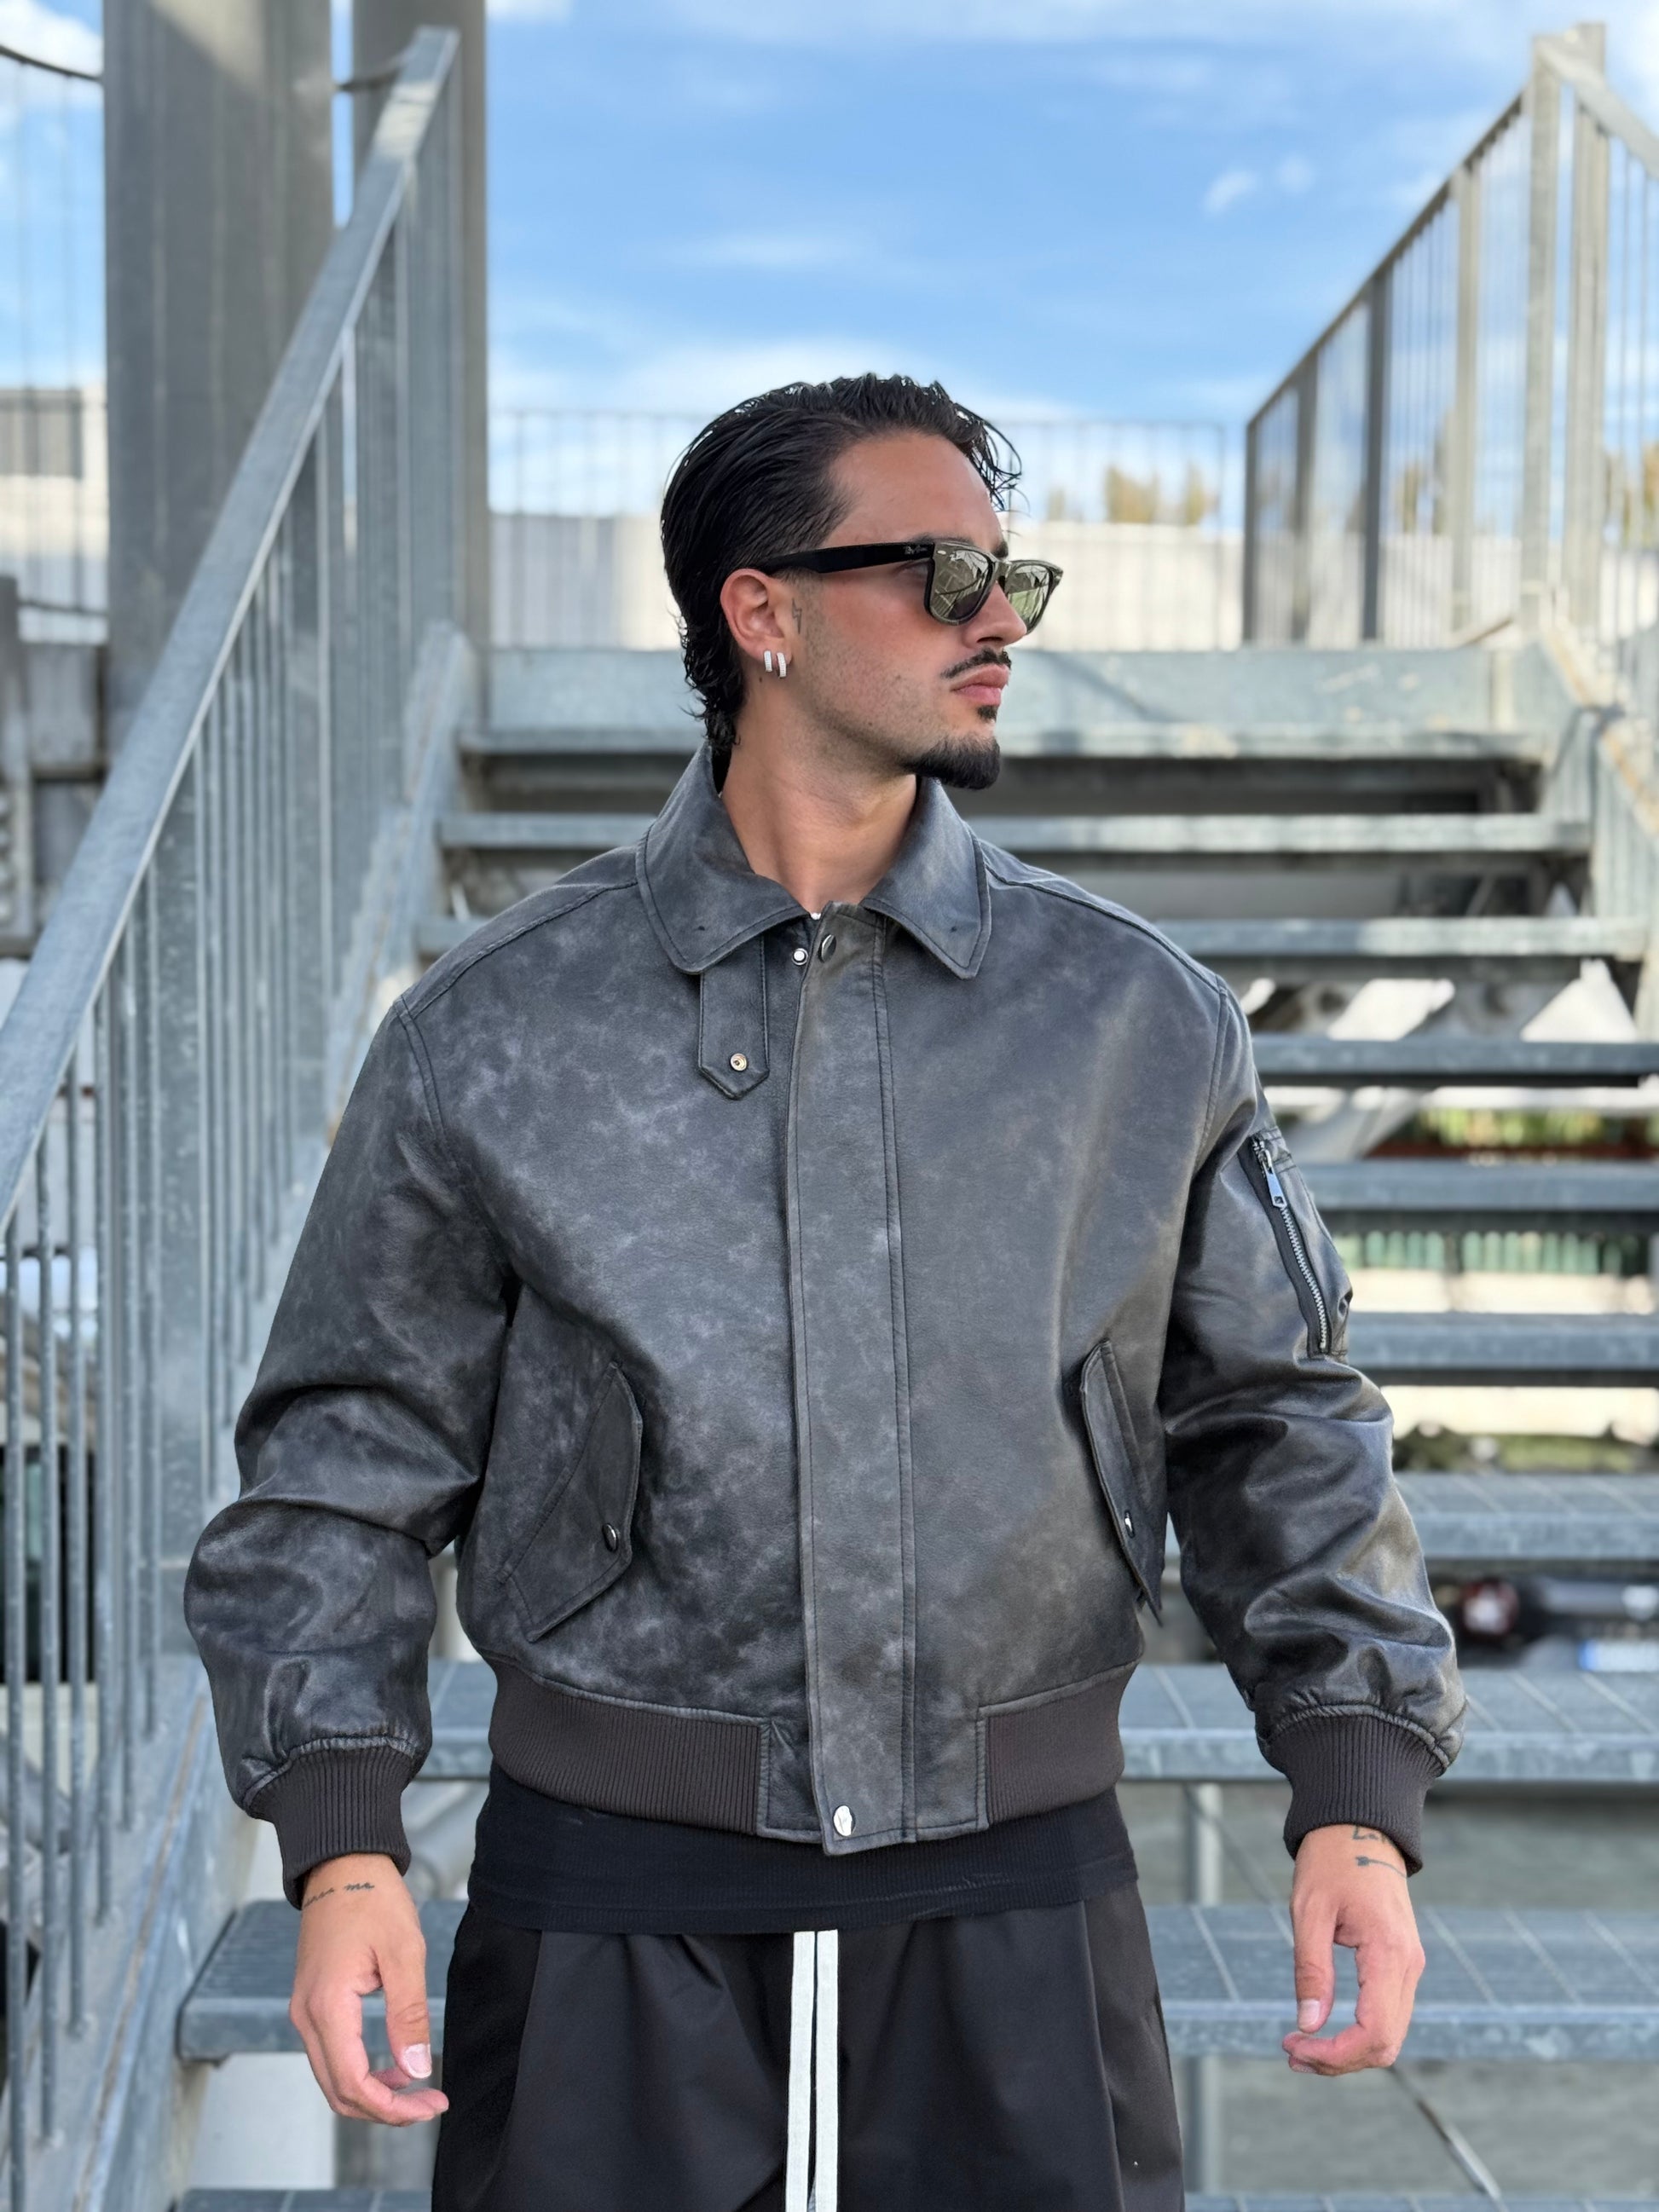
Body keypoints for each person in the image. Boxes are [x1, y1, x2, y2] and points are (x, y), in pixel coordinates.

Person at [185, 373, 1465, 2212]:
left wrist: (1353, 1787)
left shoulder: (1131, 1017)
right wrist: (343, 1843)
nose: (997, 618)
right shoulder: (497, 1028)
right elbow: (344, 1461)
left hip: (1017, 1902)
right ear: (759, 612)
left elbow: (1276, 1417)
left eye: (1010, 576)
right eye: (941, 574)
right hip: (610, 1909)